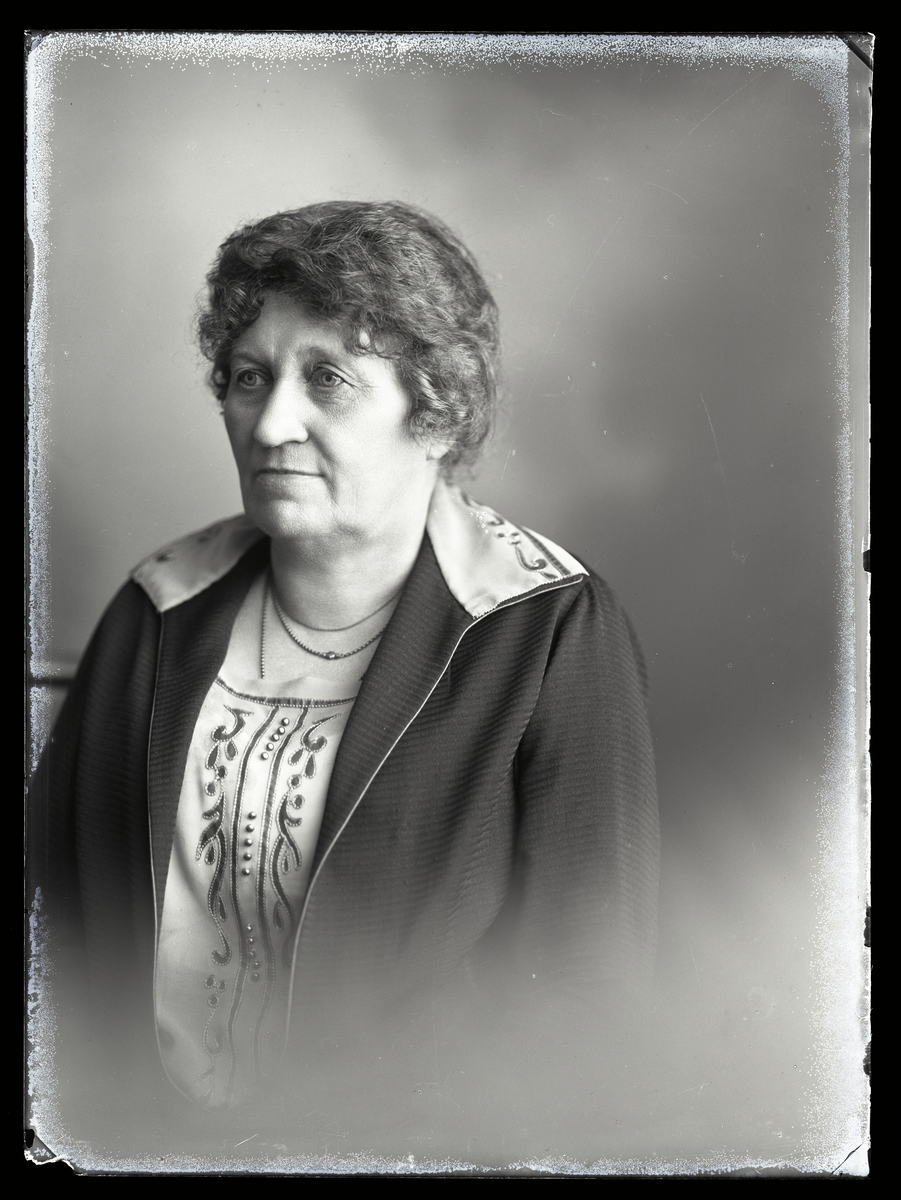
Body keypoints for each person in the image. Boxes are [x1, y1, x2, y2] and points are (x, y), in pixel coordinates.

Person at [29, 201, 660, 1159]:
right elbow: (56, 920)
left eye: (327, 378)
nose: (272, 421)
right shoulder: (158, 606)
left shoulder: (545, 625)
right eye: (250, 377)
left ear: (435, 414)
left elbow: (586, 986)